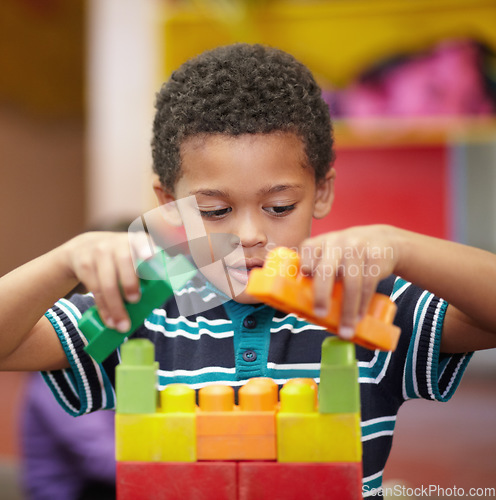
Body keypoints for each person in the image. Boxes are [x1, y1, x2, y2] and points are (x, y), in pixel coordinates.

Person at [1, 44, 496, 498]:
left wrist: (401, 245)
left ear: (321, 192)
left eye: (279, 206)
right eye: (215, 211)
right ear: (171, 206)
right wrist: (65, 259)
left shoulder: (359, 297)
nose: (250, 234)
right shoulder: (144, 306)